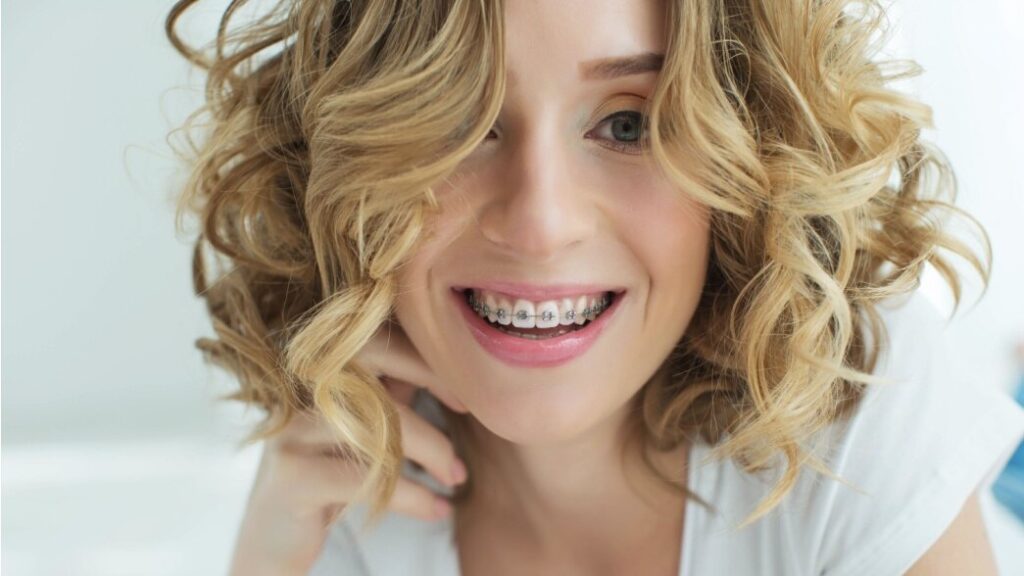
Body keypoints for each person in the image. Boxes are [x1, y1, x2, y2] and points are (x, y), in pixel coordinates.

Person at [165, 0, 1024, 574]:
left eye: (628, 123)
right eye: (457, 126)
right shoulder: (343, 502)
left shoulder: (859, 406)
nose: (539, 223)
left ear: (751, 156)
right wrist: (267, 558)